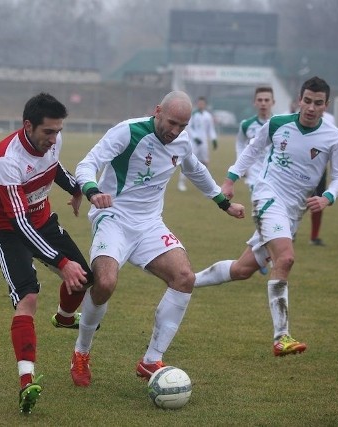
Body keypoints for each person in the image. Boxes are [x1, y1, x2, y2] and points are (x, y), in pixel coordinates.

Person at [69, 91, 245, 388]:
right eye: (172, 123)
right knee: (106, 283)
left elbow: (195, 170)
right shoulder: (128, 131)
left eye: (183, 126)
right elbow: (88, 164)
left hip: (150, 224)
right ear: (158, 111)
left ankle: (151, 359)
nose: (175, 131)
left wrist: (223, 203)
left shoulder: (183, 141)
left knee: (184, 277)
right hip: (113, 217)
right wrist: (91, 191)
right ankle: (81, 352)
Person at [193, 76, 338, 357]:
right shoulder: (278, 124)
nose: (312, 108)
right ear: (299, 99)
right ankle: (282, 337)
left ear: (326, 105)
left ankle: (187, 281)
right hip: (267, 198)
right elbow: (251, 150)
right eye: (307, 101)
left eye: (318, 103)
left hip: (293, 211)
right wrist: (229, 181)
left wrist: (328, 197)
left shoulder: (334, 137)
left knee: (243, 270)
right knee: (285, 258)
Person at [0, 93, 94, 414]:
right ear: (28, 125)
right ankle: (26, 380)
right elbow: (18, 223)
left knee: (83, 279)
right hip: (8, 231)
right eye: (48, 132)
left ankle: (63, 318)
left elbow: (54, 167)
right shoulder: (6, 160)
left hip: (42, 220)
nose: (54, 138)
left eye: (58, 131)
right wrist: (61, 263)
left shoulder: (52, 141)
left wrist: (75, 188)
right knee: (28, 298)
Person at [235, 87, 275, 193]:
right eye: (260, 100)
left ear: (273, 102)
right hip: (254, 172)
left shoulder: (279, 124)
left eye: (266, 100)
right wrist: (241, 165)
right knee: (259, 202)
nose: (263, 103)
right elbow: (240, 143)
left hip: (275, 172)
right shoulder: (246, 125)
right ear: (254, 103)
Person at [177, 96, 218, 191]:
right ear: (197, 104)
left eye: (203, 103)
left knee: (205, 163)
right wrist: (195, 137)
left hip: (203, 143)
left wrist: (214, 139)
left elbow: (210, 129)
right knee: (187, 162)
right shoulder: (193, 114)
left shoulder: (208, 116)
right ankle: (181, 183)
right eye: (199, 103)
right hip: (193, 143)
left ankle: (206, 185)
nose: (201, 105)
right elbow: (188, 127)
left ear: (205, 105)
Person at [309, 110, 335, 246]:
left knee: (318, 202)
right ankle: (291, 234)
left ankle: (314, 237)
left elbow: (331, 143)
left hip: (320, 169)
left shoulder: (330, 120)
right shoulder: (301, 116)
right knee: (296, 202)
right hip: (301, 168)